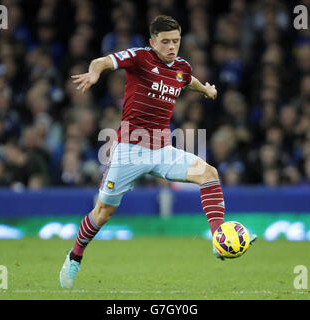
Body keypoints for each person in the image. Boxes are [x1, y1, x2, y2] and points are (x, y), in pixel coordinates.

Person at [59, 15, 254, 289]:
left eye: (176, 41)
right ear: (153, 42)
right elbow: (103, 61)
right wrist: (95, 72)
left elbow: (187, 80)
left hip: (162, 149)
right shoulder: (139, 57)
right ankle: (75, 254)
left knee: (209, 174)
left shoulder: (181, 67)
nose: (172, 46)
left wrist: (205, 90)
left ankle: (218, 239)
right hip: (129, 150)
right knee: (102, 212)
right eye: (165, 42)